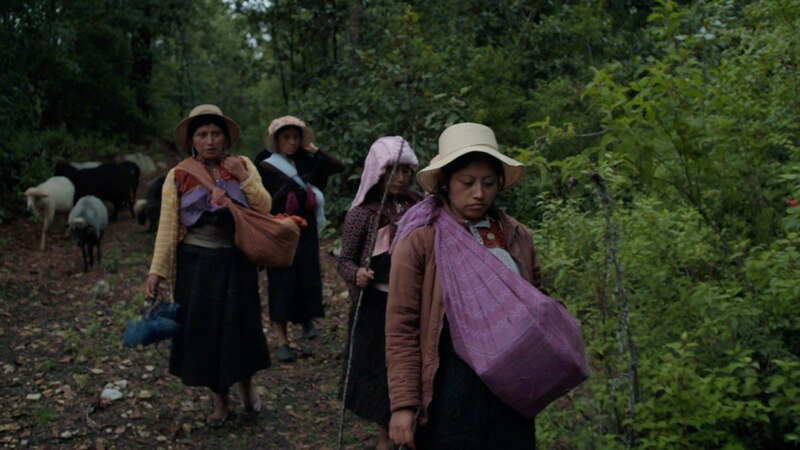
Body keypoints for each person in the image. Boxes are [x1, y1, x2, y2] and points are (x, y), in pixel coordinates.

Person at [386, 123, 541, 448]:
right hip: (450, 389)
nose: (479, 193)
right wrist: (403, 404)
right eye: (467, 183)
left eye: (488, 183)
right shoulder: (421, 240)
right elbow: (402, 327)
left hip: (510, 390)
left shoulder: (516, 237)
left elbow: (536, 304)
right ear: (445, 183)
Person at [145, 104, 271, 427]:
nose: (210, 140)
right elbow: (168, 226)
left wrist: (244, 179)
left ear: (225, 137)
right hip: (197, 265)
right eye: (202, 134)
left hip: (236, 261)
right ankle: (219, 400)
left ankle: (247, 386)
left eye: (216, 133)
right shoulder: (179, 175)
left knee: (241, 327)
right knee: (207, 332)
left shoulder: (243, 166)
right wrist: (156, 271)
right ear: (193, 140)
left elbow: (265, 207)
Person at [337, 136, 421, 450]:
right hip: (376, 305)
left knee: (411, 364)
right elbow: (344, 260)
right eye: (392, 171)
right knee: (378, 368)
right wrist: (357, 274)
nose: (400, 178)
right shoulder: (363, 214)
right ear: (377, 172)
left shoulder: (418, 207)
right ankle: (384, 437)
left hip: (412, 304)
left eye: (404, 171)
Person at [258, 115, 345, 362]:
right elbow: (260, 199)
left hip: (306, 232)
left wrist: (316, 151)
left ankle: (306, 319)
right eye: (286, 137)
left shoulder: (307, 163)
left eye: (296, 137)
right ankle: (281, 339)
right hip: (279, 232)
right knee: (281, 282)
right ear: (276, 140)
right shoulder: (265, 166)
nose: (292, 142)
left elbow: (337, 167)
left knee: (307, 276)